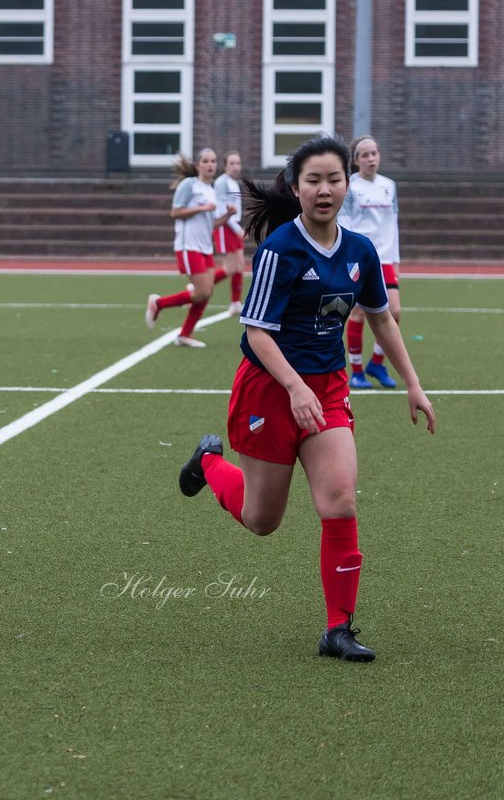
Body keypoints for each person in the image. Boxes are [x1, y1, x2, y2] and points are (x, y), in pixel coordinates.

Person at [177, 135, 435, 663]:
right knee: (261, 520)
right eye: (313, 180)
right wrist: (293, 387)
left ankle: (338, 629)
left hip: (328, 390)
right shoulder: (280, 250)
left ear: (347, 186)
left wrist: (413, 382)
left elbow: (382, 318)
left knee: (339, 500)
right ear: (295, 188)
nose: (324, 189)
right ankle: (209, 462)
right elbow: (256, 333)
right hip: (270, 389)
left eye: (334, 179)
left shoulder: (360, 250)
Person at [144, 148, 236, 347]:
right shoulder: (189, 185)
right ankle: (158, 303)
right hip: (188, 246)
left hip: (205, 248)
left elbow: (211, 224)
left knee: (206, 292)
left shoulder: (211, 191)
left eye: (213, 161)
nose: (211, 164)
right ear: (198, 166)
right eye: (206, 161)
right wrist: (201, 208)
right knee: (202, 292)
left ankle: (185, 335)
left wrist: (227, 216)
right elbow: (175, 213)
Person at [338, 135, 401, 390]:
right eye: (365, 155)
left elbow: (393, 224)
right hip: (361, 258)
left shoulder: (389, 185)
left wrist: (396, 260)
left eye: (374, 153)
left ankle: (376, 362)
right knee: (359, 312)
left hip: (385, 258)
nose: (371, 158)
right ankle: (356, 370)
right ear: (355, 160)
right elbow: (345, 224)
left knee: (394, 312)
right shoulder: (349, 186)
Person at [212, 151, 246, 314]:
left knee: (240, 265)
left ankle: (235, 303)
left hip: (233, 225)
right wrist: (238, 229)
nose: (235, 166)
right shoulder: (222, 183)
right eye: (232, 163)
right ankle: (201, 285)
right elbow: (221, 210)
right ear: (225, 166)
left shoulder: (234, 182)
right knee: (229, 268)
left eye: (238, 163)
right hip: (225, 227)